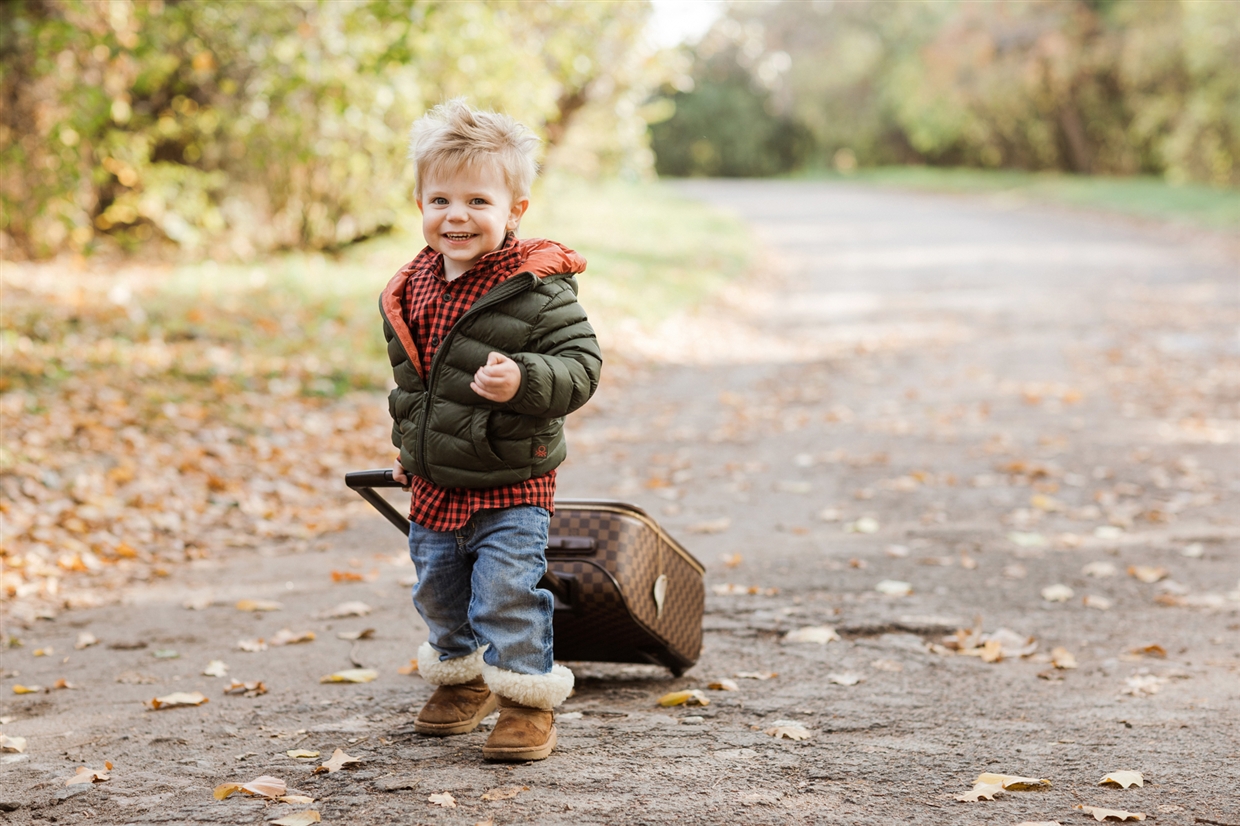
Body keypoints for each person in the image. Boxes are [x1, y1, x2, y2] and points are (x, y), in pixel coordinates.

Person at [379, 99, 601, 762]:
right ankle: (462, 677)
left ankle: (528, 702)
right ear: (418, 201)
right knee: (438, 590)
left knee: (506, 590)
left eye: (478, 200)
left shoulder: (538, 290)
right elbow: (416, 388)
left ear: (516, 210)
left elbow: (582, 366)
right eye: (440, 199)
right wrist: (408, 452)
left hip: (511, 479)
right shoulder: (410, 287)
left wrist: (526, 378)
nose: (456, 216)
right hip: (438, 480)